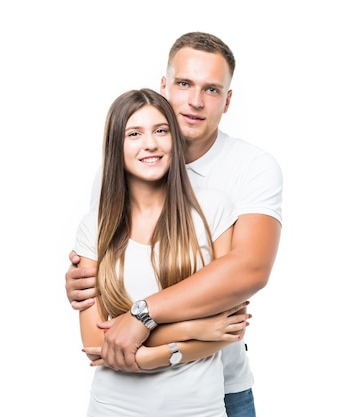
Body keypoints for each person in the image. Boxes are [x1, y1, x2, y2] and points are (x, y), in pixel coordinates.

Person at [68, 32, 283, 417]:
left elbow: (246, 272)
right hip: (119, 398)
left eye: (212, 89)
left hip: (218, 388)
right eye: (184, 83)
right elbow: (99, 328)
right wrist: (85, 284)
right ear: (164, 87)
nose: (195, 101)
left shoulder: (248, 171)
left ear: (228, 100)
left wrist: (139, 318)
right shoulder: (113, 178)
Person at [75, 88, 250, 416]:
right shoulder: (95, 227)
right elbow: (98, 345)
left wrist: (136, 336)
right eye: (134, 133)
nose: (150, 144)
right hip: (114, 408)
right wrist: (192, 329)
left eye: (161, 130)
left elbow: (230, 325)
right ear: (117, 145)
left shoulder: (213, 210)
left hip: (198, 409)